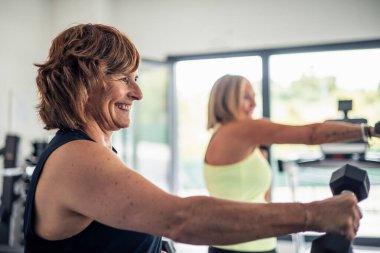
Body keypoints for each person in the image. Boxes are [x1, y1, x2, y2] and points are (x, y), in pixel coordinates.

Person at [23, 23, 363, 253]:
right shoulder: (77, 159)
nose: (137, 92)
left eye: (136, 78)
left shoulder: (97, 150)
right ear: (83, 80)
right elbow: (181, 219)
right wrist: (312, 214)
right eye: (124, 78)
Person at [204, 74, 379, 253]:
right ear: (227, 99)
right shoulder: (239, 131)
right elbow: (311, 134)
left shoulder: (222, 136)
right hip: (241, 247)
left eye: (254, 97)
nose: (254, 104)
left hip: (246, 242)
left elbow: (259, 198)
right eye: (246, 97)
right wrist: (369, 130)